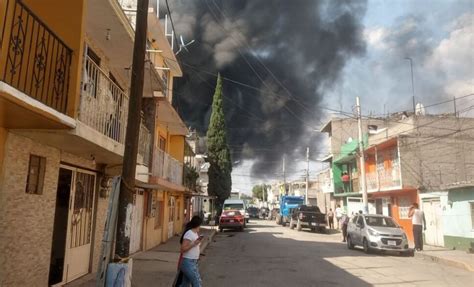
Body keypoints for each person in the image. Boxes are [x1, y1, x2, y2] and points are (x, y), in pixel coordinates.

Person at [179, 216, 204, 286]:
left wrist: (197, 243)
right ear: (197, 225)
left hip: (193, 262)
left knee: (185, 284)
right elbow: (183, 249)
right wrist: (194, 244)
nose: (200, 227)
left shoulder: (195, 233)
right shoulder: (189, 233)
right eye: (200, 225)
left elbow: (194, 246)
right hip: (188, 262)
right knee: (197, 282)